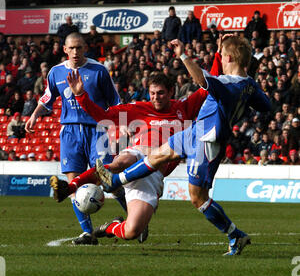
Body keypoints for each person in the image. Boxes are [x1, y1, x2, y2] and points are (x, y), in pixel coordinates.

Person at [94, 36, 271, 256]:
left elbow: (202, 80)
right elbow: (266, 106)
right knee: (158, 155)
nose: (222, 60)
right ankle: (115, 181)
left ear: (228, 57)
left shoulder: (228, 84)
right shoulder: (248, 85)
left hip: (207, 143)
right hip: (194, 132)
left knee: (198, 197)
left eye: (222, 55)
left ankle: (235, 234)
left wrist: (183, 55)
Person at [49, 42, 223, 246]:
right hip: (137, 155)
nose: (156, 97)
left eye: (161, 93)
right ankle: (70, 187)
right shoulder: (138, 109)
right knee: (119, 162)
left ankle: (110, 227)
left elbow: (208, 85)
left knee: (133, 231)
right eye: (152, 93)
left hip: (154, 174)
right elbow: (102, 115)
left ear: (171, 91)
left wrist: (218, 53)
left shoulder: (184, 108)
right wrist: (81, 95)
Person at [25, 32, 122, 246]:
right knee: (72, 185)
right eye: (72, 48)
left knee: (108, 178)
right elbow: (47, 98)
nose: (76, 52)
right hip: (69, 131)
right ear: (65, 50)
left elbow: (115, 102)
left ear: (85, 48)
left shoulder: (98, 71)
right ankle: (87, 233)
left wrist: (119, 127)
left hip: (97, 130)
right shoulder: (56, 72)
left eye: (79, 47)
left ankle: (134, 217)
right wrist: (34, 115)